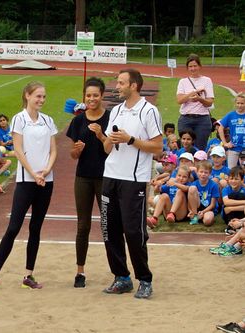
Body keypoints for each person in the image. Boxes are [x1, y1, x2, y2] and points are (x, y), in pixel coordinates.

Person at [0, 81, 57, 291]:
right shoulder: (19, 119)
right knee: (13, 227)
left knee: (36, 228)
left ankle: (28, 275)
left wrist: (46, 170)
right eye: (38, 96)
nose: (41, 100)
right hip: (27, 181)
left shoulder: (48, 121)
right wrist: (34, 173)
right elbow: (18, 150)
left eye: (43, 96)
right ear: (27, 96)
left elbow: (53, 150)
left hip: (46, 181)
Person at [101, 69, 162, 299]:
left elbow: (158, 147)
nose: (117, 86)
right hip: (111, 175)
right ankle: (121, 277)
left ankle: (144, 279)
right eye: (117, 82)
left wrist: (131, 140)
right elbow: (106, 147)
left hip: (134, 180)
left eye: (121, 83)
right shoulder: (115, 110)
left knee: (133, 232)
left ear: (134, 85)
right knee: (110, 230)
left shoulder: (148, 111)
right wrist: (108, 139)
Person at [66, 77, 109, 288]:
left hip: (105, 177)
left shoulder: (110, 118)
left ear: (102, 95)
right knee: (82, 225)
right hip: (83, 177)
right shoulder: (78, 121)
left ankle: (117, 270)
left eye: (95, 95)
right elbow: (73, 154)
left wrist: (101, 135)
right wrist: (77, 150)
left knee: (108, 223)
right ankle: (80, 271)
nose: (92, 99)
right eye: (88, 95)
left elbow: (113, 149)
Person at [176, 53, 214, 150]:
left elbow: (209, 102)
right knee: (185, 148)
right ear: (187, 68)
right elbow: (179, 100)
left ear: (199, 66)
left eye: (195, 66)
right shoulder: (183, 82)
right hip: (186, 118)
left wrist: (199, 99)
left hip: (202, 119)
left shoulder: (207, 80)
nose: (193, 69)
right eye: (190, 66)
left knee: (200, 150)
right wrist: (193, 93)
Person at [218, 93, 245, 168]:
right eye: (238, 103)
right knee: (231, 170)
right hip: (234, 147)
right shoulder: (231, 115)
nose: (240, 105)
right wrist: (224, 143)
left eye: (242, 103)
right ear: (235, 103)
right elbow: (220, 128)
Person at [187, 160, 220, 226]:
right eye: (201, 172)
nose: (203, 174)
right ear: (197, 172)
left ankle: (201, 217)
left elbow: (212, 205)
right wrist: (190, 210)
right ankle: (195, 215)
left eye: (206, 172)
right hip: (197, 206)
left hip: (208, 209)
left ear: (210, 174)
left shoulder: (213, 185)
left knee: (207, 221)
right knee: (192, 188)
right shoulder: (194, 183)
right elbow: (189, 200)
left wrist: (203, 212)